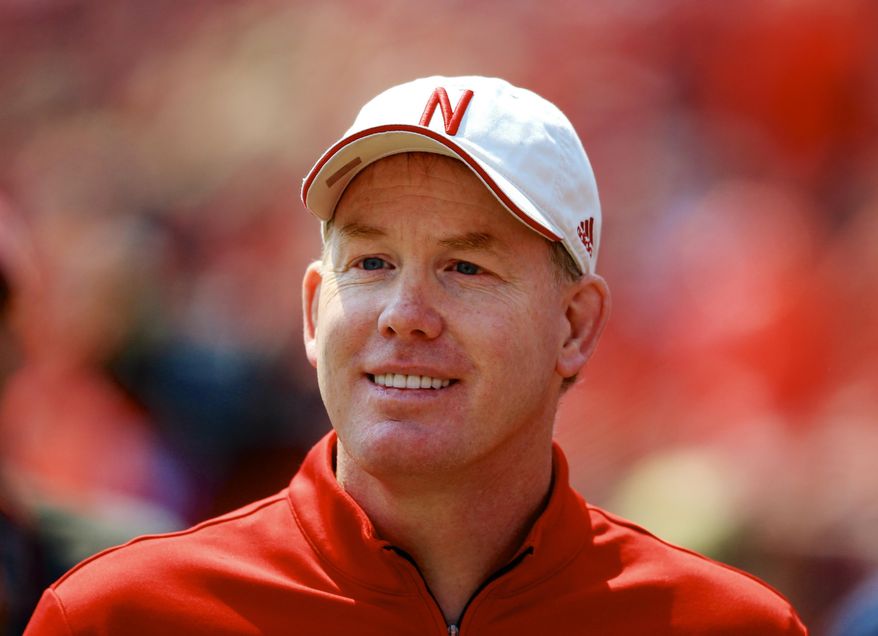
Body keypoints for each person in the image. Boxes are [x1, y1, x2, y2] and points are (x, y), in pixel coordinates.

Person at [24, 75, 807, 635]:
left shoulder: (729, 626)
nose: (405, 315)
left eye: (465, 267)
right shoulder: (119, 617)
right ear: (313, 310)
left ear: (575, 326)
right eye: (371, 263)